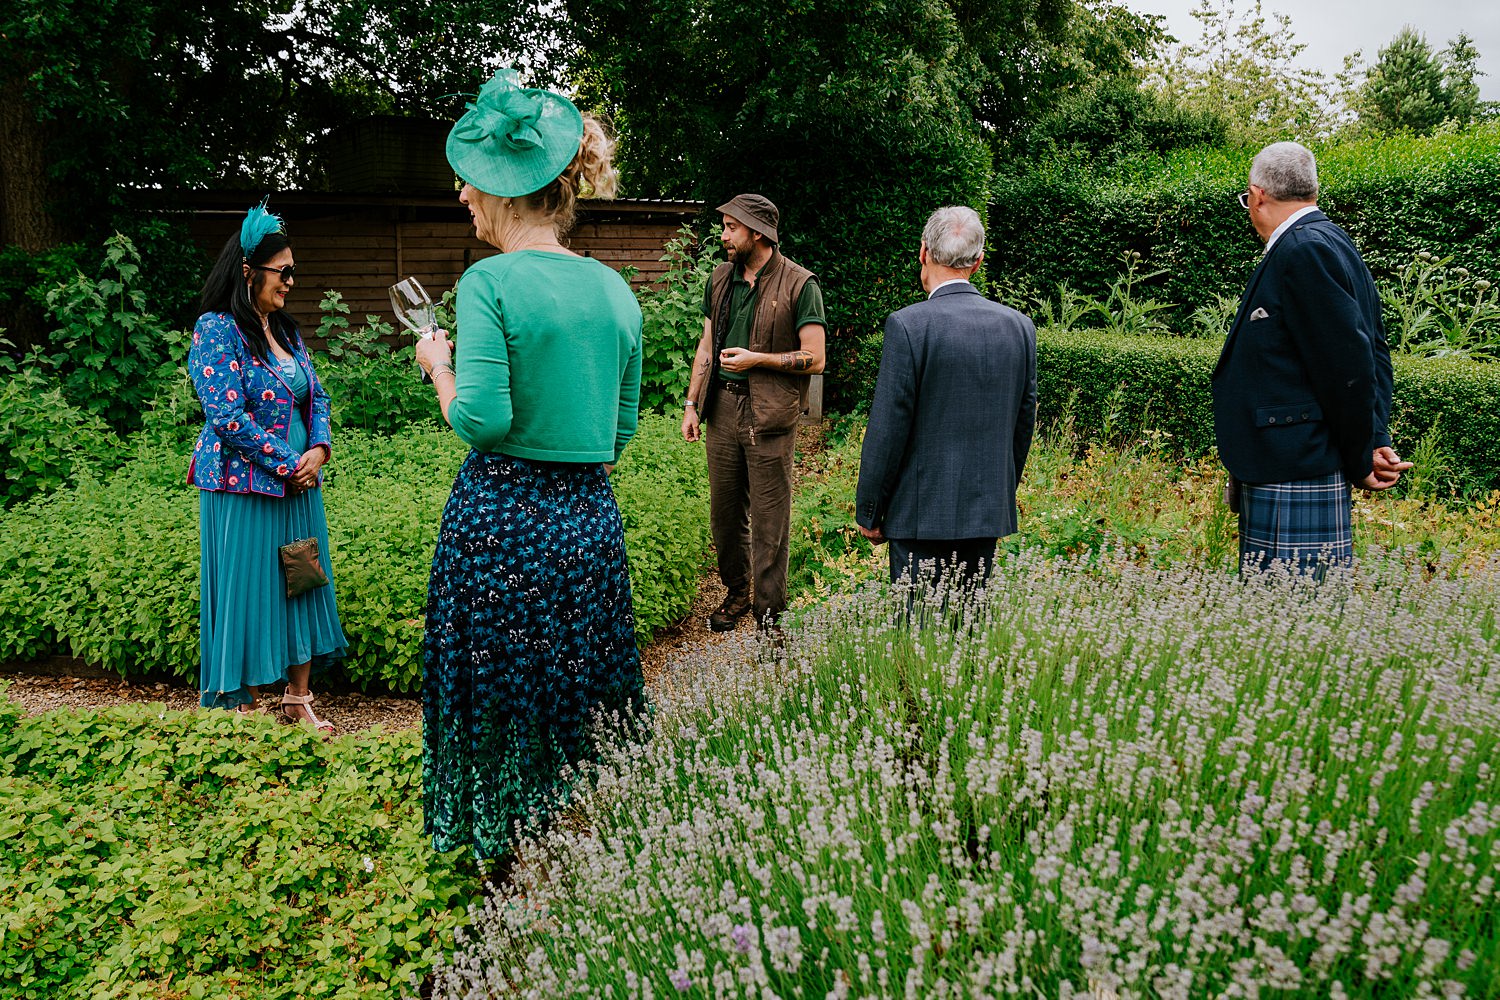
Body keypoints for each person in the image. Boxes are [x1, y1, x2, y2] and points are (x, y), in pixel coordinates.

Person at [414, 69, 645, 859]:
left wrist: (436, 365)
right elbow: (616, 435)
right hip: (586, 520)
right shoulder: (617, 292)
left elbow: (484, 419)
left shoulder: (488, 282)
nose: (464, 200)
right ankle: (575, 832)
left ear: (507, 194)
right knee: (571, 682)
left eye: (470, 186)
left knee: (497, 686)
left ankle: (500, 840)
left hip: (502, 521)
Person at [1213, 141, 1412, 573]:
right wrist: (1376, 436)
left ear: (1258, 194)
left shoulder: (1303, 250)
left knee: (1286, 619)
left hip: (1293, 463)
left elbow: (1350, 365)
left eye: (1248, 200)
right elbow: (1373, 348)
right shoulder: (1334, 240)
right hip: (1296, 461)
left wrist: (1362, 456)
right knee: (1297, 621)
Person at [188, 201, 346, 733]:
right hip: (245, 487)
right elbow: (226, 415)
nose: (291, 281)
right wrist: (287, 462)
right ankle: (243, 706)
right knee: (250, 587)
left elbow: (316, 398)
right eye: (283, 271)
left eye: (292, 270)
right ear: (249, 271)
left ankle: (298, 699)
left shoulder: (287, 330)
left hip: (300, 484)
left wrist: (318, 450)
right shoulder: (216, 329)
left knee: (302, 581)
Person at [854, 206, 1037, 590]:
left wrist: (870, 509)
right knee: (968, 631)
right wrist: (997, 493)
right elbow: (1023, 422)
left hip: (919, 516)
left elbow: (888, 426)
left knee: (919, 632)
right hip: (985, 512)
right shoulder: (1019, 327)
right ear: (978, 262)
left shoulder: (908, 325)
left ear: (924, 253)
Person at [680, 194, 827, 632]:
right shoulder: (721, 279)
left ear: (757, 233)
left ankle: (770, 615)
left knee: (769, 520)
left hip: (770, 414)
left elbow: (815, 358)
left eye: (730, 227)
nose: (723, 236)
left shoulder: (801, 285)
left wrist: (756, 359)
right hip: (721, 408)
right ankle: (737, 592)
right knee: (725, 515)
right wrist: (692, 403)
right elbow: (706, 346)